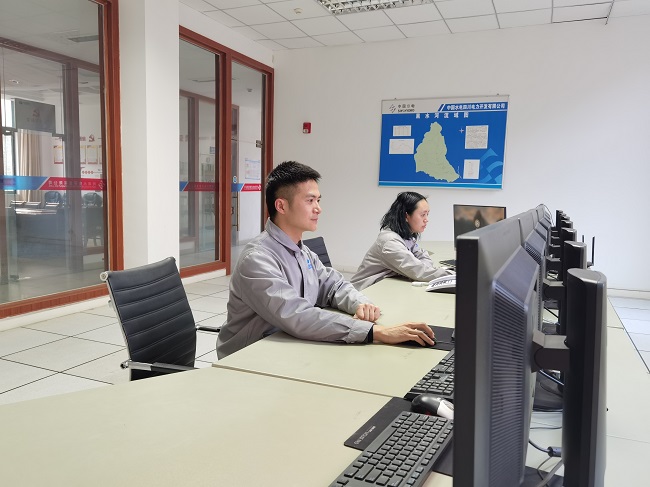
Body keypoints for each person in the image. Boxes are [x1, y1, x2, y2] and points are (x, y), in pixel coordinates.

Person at [216, 161, 434, 359]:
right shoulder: (257, 259)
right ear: (281, 206)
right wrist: (375, 331)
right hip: (249, 357)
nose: (318, 208)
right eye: (310, 200)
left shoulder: (303, 252)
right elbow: (297, 315)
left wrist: (360, 303)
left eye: (318, 200)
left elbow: (333, 286)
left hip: (289, 347)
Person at [351, 191, 454, 291]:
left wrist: (421, 268)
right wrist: (454, 275)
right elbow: (419, 272)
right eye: (423, 215)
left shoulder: (406, 237)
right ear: (406, 216)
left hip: (384, 287)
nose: (426, 219)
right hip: (365, 291)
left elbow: (422, 258)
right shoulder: (390, 242)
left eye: (427, 214)